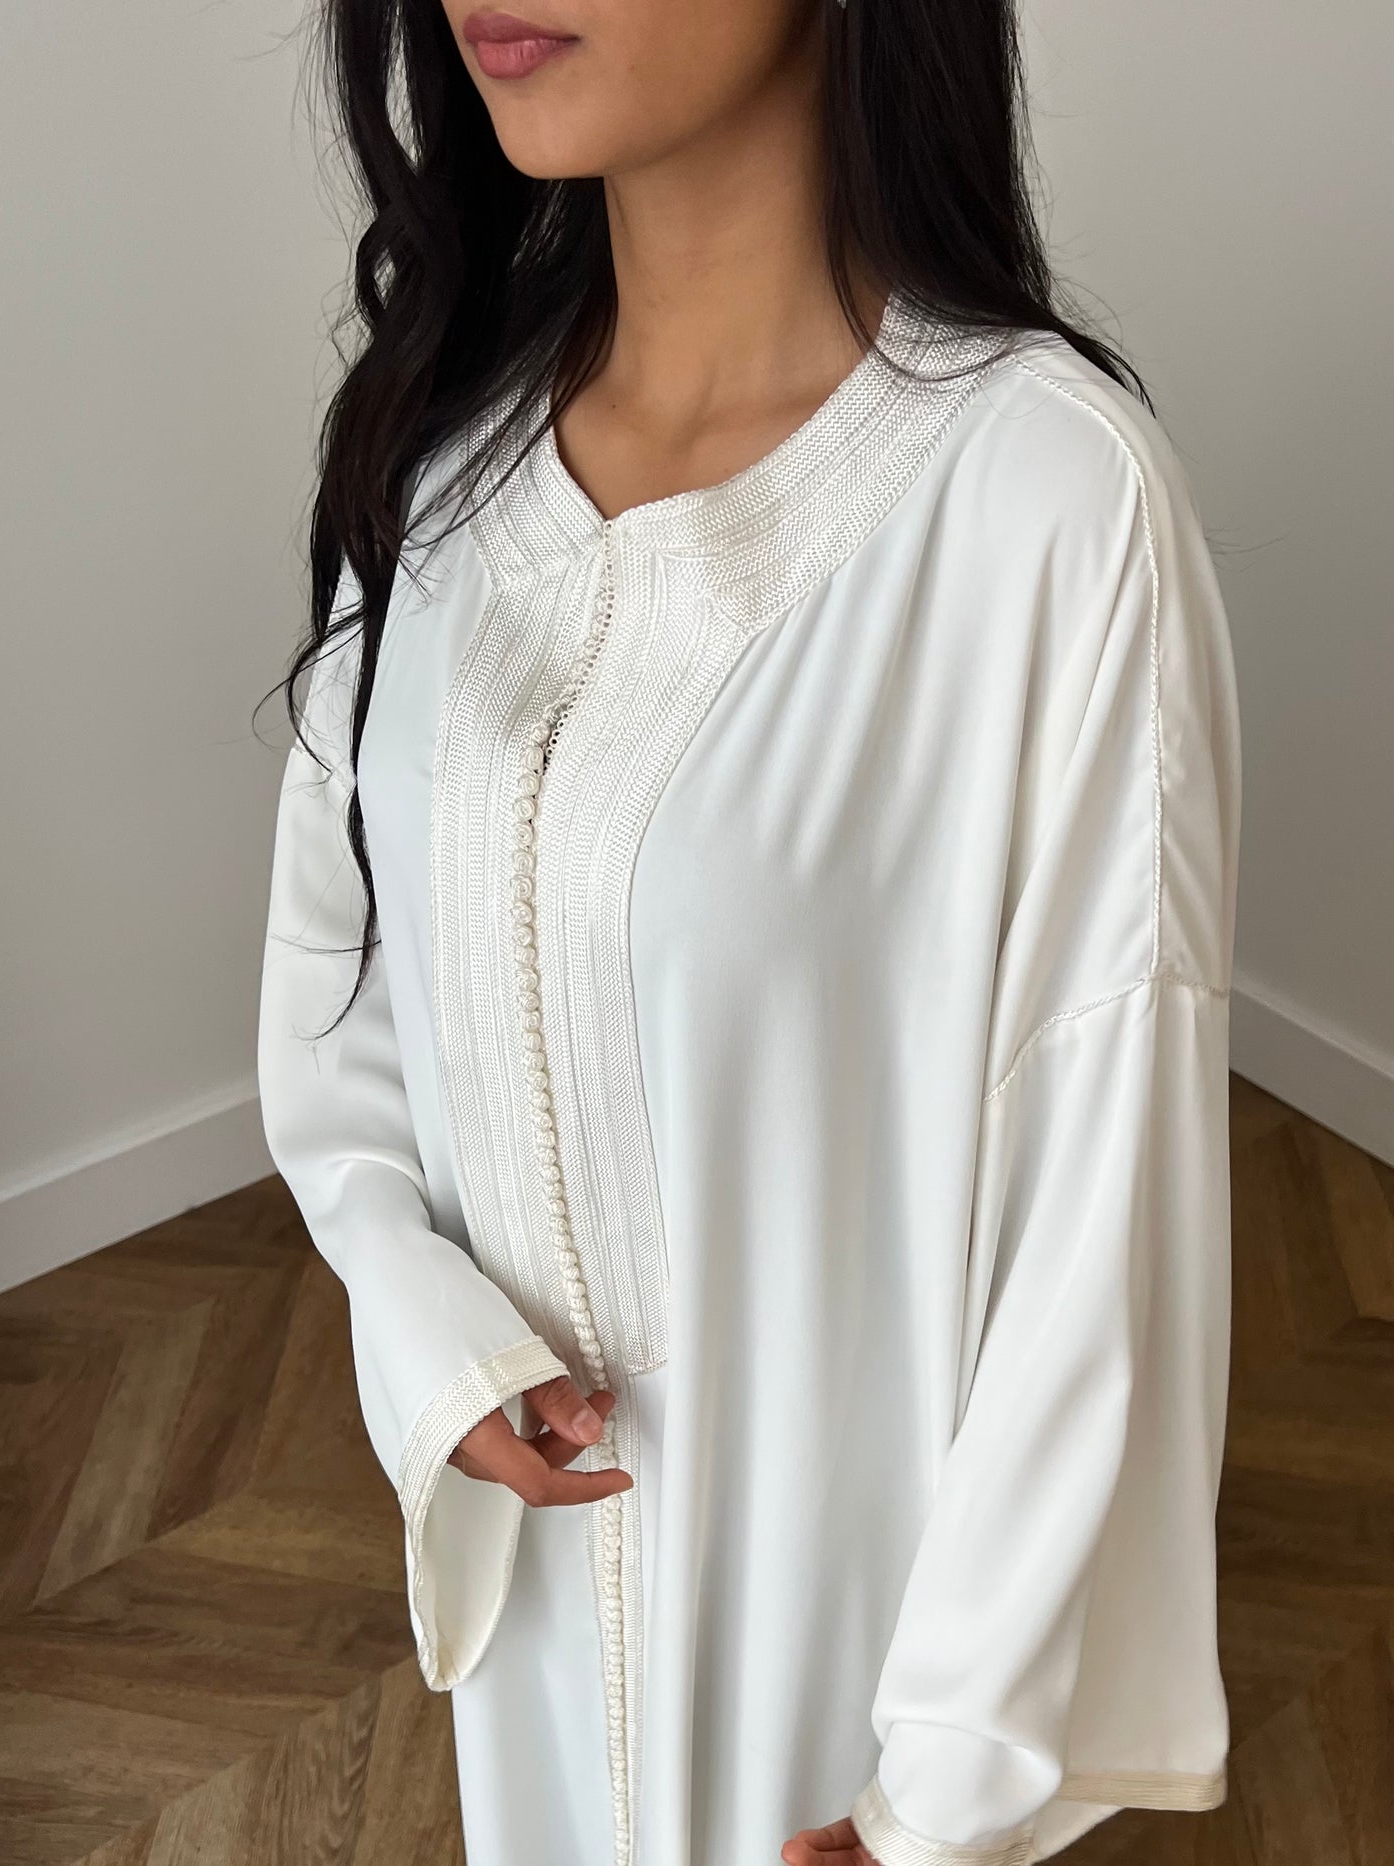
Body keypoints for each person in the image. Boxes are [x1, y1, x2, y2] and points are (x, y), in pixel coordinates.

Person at [256, 0, 1242, 1861]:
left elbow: (1099, 1215)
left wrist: (936, 1795)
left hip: (844, 1693)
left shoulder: (1045, 505)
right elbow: (346, 993)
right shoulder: (440, 462)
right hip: (535, 1633)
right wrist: (426, 1329)